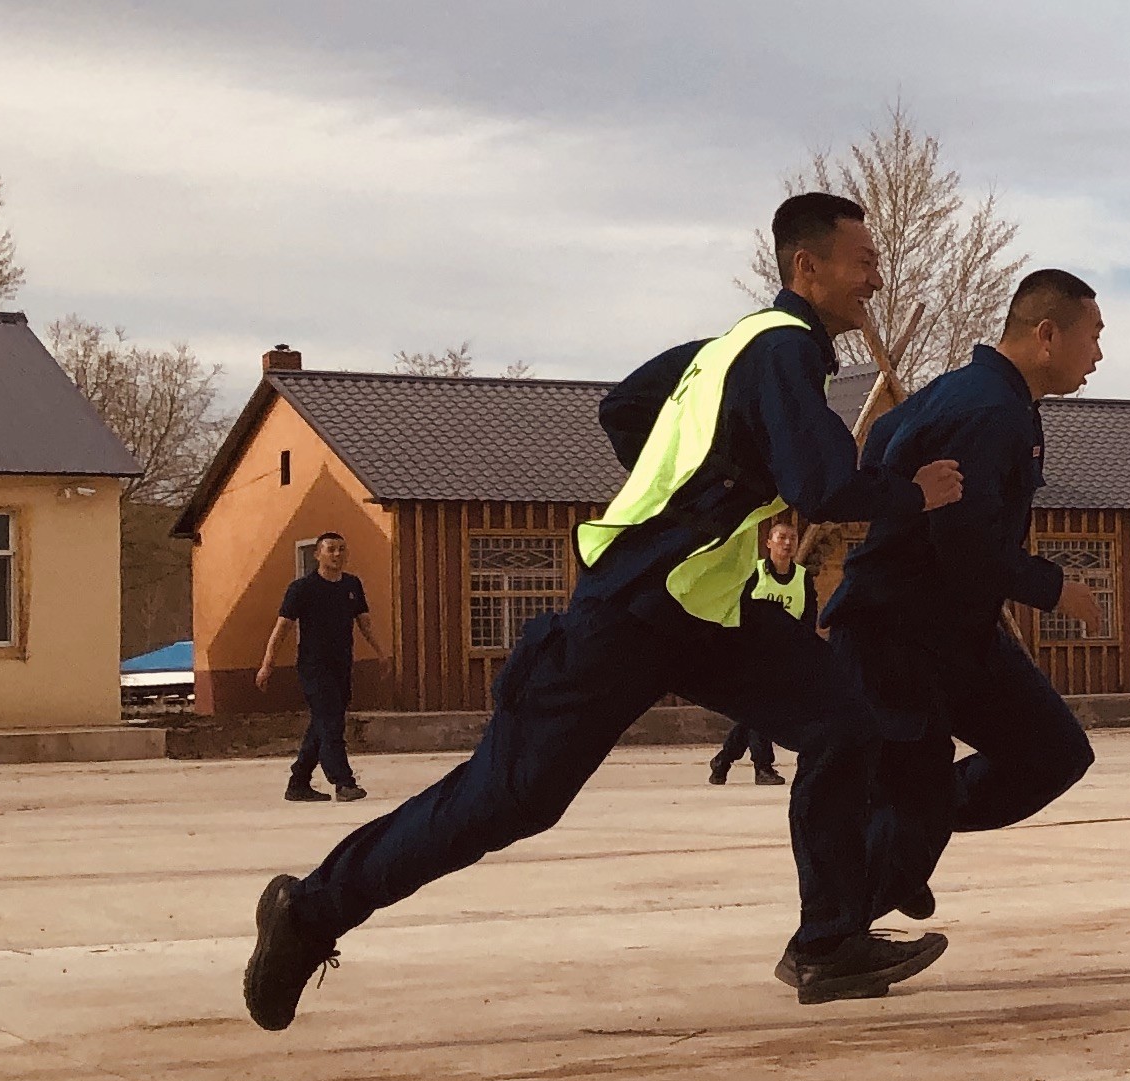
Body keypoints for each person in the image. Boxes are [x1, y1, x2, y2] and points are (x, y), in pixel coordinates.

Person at [239, 191, 962, 1029]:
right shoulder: (785, 351)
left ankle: (830, 941)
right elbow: (825, 485)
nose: (875, 276)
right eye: (863, 261)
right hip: (630, 610)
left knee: (848, 720)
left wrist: (705, 484)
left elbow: (622, 409)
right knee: (512, 797)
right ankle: (309, 912)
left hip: (706, 611)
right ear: (808, 267)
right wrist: (910, 493)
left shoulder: (722, 352)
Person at [810, 268, 1107, 926]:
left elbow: (886, 450)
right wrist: (1055, 588)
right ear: (1047, 334)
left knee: (1050, 751)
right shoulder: (985, 411)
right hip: (899, 631)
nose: (1099, 355)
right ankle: (831, 940)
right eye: (1093, 337)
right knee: (916, 796)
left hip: (957, 631)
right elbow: (965, 547)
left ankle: (896, 831)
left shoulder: (984, 399)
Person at [268, 530, 383, 803]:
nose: (337, 554)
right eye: (330, 549)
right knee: (331, 723)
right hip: (313, 666)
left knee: (323, 724)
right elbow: (282, 627)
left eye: (341, 549)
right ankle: (343, 783)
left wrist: (381, 652)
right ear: (317, 554)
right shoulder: (302, 588)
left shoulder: (352, 585)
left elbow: (364, 623)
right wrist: (267, 662)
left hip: (341, 664)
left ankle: (298, 783)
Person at [707, 513, 810, 785]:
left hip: (785, 654)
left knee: (756, 712)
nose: (787, 543)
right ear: (769, 543)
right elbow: (739, 610)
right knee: (763, 709)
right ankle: (763, 767)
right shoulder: (754, 574)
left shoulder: (802, 577)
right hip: (754, 651)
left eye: (792, 538)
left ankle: (723, 759)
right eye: (781, 538)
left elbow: (808, 618)